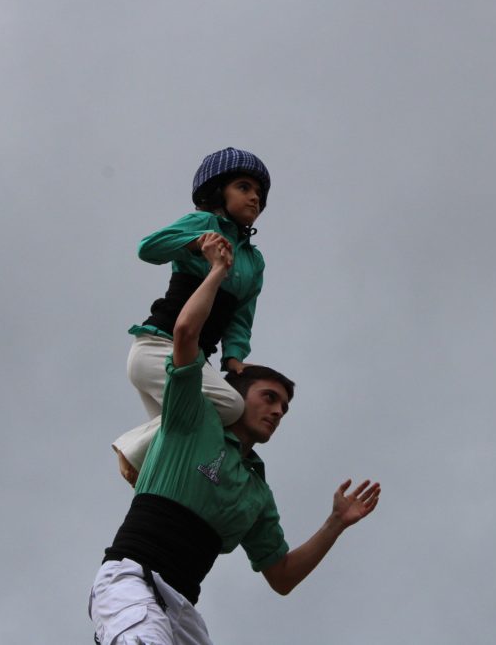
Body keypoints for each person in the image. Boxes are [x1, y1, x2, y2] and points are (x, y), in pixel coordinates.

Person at [88, 232, 381, 645]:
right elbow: (184, 334)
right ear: (238, 396)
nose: (278, 411)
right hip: (131, 581)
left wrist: (336, 523)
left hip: (181, 609)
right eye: (269, 397)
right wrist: (217, 271)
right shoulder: (194, 417)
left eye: (285, 408)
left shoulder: (256, 494)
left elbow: (282, 576)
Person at [112, 147, 272, 485]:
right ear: (218, 192)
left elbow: (241, 316)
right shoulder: (205, 224)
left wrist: (233, 356)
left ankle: (154, 488)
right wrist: (197, 243)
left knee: (185, 440)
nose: (255, 198)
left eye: (259, 193)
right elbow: (148, 247)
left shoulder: (254, 262)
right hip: (160, 348)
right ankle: (131, 448)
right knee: (230, 407)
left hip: (194, 360)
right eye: (244, 187)